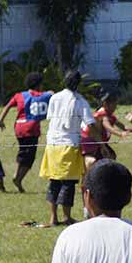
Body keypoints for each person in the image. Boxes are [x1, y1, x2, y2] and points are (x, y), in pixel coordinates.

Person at [39, 71, 99, 227]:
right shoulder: (80, 101)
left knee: (54, 181)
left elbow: (51, 118)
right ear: (79, 84)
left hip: (52, 144)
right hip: (69, 145)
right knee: (69, 183)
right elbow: (90, 124)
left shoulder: (55, 97)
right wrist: (101, 141)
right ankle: (67, 217)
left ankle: (53, 218)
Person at [0, 73, 52, 192]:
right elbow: (52, 95)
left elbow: (7, 106)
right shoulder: (45, 96)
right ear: (39, 85)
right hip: (32, 129)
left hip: (19, 127)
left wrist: (0, 120)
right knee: (30, 156)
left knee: (23, 151)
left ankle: (17, 174)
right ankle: (18, 178)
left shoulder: (19, 95)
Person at [80, 91, 131, 172]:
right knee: (93, 161)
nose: (115, 108)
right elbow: (108, 127)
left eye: (116, 105)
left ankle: (104, 175)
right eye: (113, 105)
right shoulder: (102, 115)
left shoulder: (110, 115)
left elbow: (124, 127)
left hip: (98, 141)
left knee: (111, 156)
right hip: (89, 141)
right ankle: (88, 176)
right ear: (105, 104)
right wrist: (120, 134)